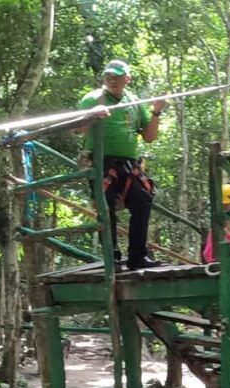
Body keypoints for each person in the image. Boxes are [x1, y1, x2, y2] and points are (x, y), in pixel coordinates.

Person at [76, 59, 166, 270]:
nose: (112, 80)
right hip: (100, 160)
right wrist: (91, 115)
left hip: (128, 162)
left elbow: (149, 137)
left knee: (143, 199)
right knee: (105, 205)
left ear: (127, 79)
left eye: (117, 76)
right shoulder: (93, 99)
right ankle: (112, 257)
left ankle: (137, 256)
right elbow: (77, 128)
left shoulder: (133, 102)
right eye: (108, 76)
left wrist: (156, 112)